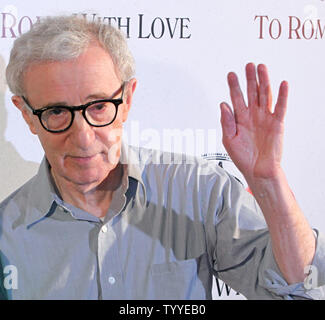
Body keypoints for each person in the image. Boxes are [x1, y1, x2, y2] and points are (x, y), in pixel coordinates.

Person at [0, 15, 324, 300]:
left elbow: (299, 291)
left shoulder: (201, 189)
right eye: (56, 111)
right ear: (27, 115)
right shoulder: (5, 235)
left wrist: (269, 183)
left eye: (99, 106)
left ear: (127, 100)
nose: (84, 136)